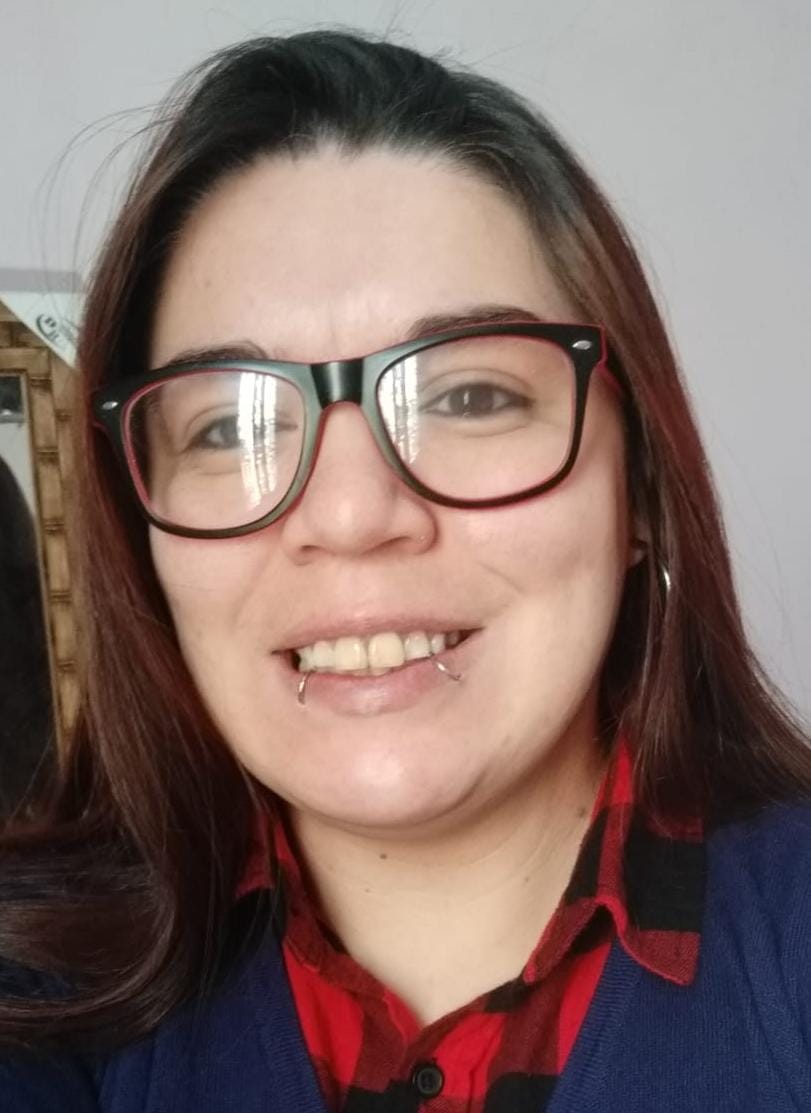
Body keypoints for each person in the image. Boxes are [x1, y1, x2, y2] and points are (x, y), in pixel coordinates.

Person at [1, 29, 811, 1112]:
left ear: (641, 498)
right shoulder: (37, 999)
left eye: (469, 397)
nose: (349, 515)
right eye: (228, 426)